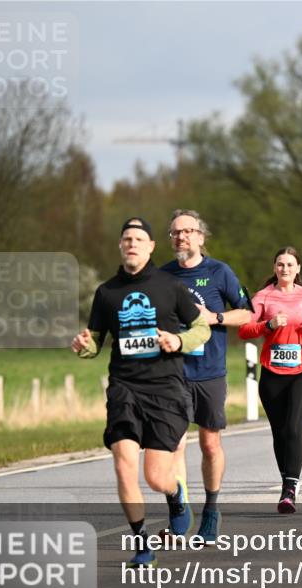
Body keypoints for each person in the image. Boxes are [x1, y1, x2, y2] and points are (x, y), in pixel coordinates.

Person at [72, 217, 211, 567]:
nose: (132, 243)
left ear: (151, 247)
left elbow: (201, 328)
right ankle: (142, 545)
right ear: (121, 246)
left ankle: (175, 494)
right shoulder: (106, 293)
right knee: (124, 466)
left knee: (156, 477)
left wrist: (178, 340)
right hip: (124, 388)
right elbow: (95, 342)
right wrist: (84, 347)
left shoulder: (170, 286)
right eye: (127, 239)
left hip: (165, 390)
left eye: (138, 239)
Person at [160, 209, 253, 543]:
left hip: (210, 371)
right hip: (172, 372)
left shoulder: (219, 272)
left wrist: (213, 317)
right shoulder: (162, 275)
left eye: (187, 231)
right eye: (175, 232)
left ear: (200, 236)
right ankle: (179, 512)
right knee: (173, 444)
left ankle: (211, 510)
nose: (181, 237)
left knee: (210, 444)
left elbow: (247, 313)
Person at [238, 247, 302, 514]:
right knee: (280, 432)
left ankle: (289, 489)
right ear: (274, 267)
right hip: (272, 373)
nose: (285, 269)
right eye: (280, 264)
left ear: (298, 269)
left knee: (294, 427)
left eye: (289, 264)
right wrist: (269, 325)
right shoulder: (263, 296)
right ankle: (287, 478)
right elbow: (244, 329)